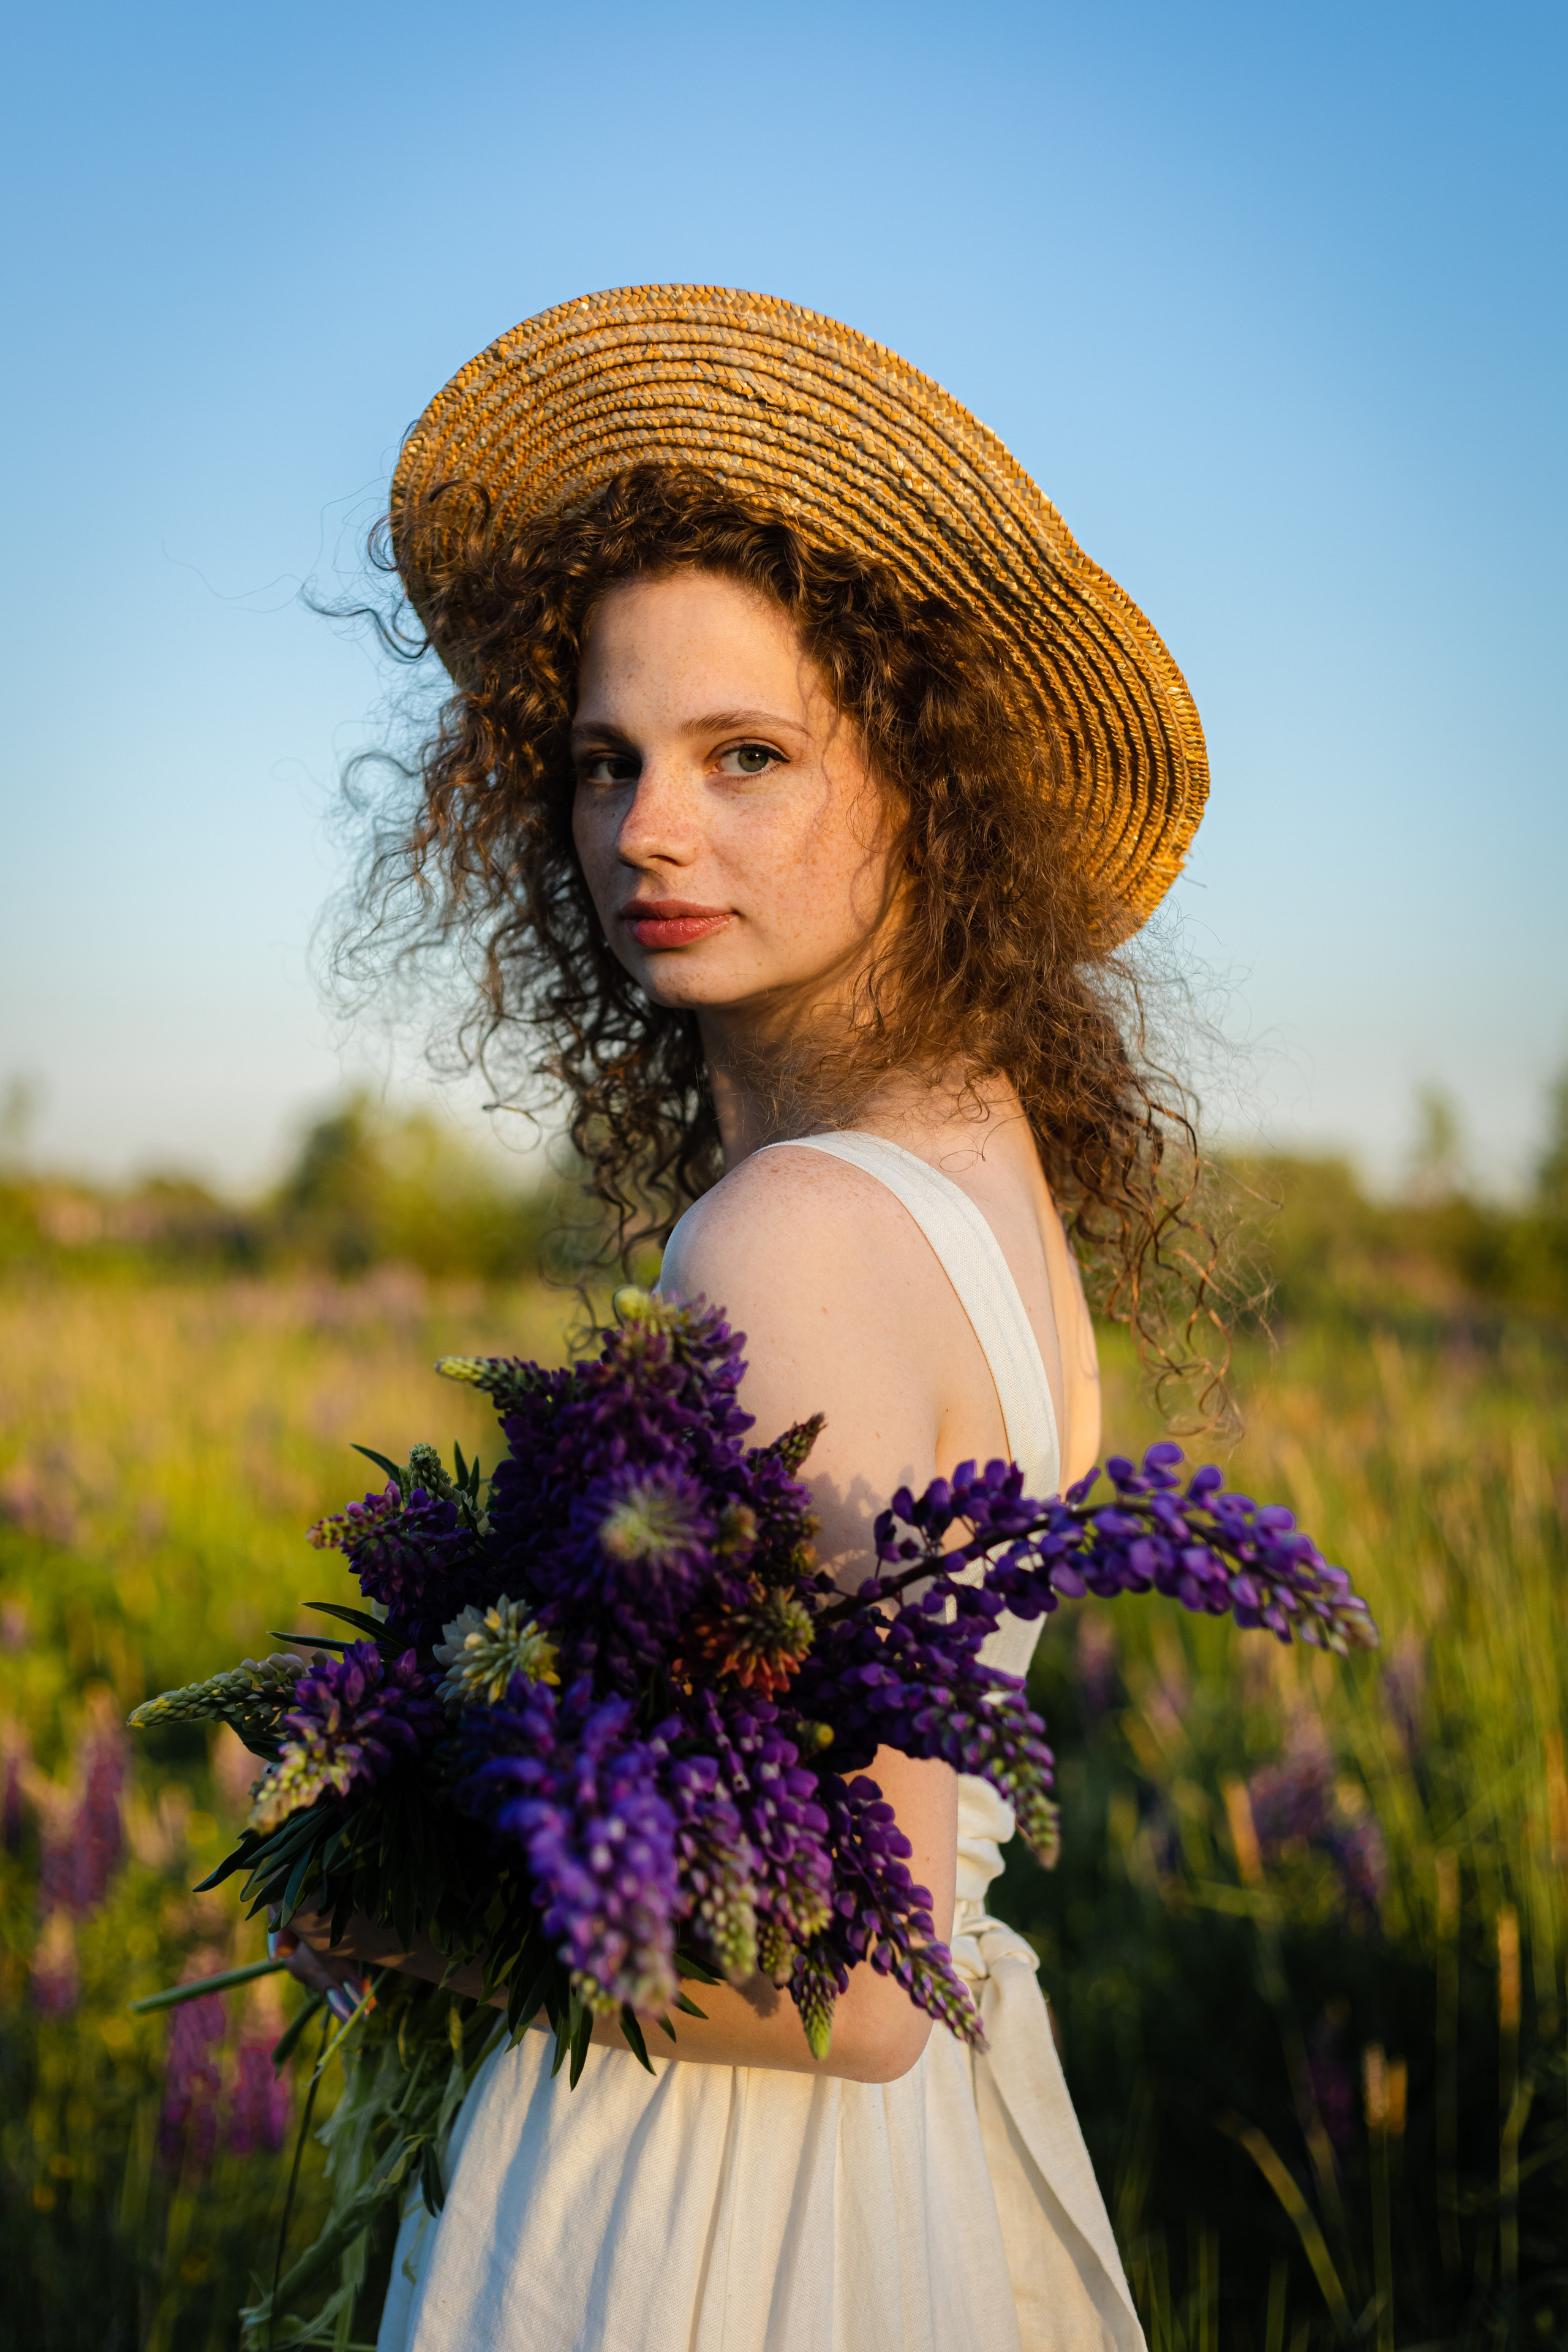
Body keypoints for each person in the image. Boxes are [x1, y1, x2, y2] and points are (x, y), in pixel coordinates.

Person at [277, 285, 1212, 2352]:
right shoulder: (982, 1181)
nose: (646, 832)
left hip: (708, 2226)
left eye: (748, 755)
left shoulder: (796, 1227)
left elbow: (854, 1992)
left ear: (927, 793)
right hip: (901, 2203)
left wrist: (399, 1890)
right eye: (606, 760)